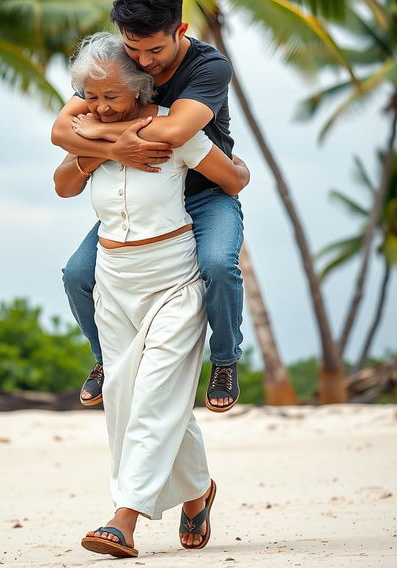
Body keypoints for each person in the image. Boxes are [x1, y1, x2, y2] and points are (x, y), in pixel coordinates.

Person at [53, 32, 250, 557]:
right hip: (115, 286)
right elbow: (63, 185)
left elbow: (231, 179)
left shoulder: (170, 130)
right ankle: (198, 490)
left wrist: (240, 169)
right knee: (125, 402)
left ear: (141, 87)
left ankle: (125, 518)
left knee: (158, 398)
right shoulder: (89, 130)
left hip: (172, 280)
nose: (96, 105)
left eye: (109, 95)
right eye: (89, 96)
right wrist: (100, 146)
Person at [51, 0, 245, 412]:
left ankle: (225, 359)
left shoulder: (208, 66)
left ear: (180, 30)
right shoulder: (120, 63)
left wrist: (105, 131)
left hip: (206, 190)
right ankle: (103, 361)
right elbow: (62, 129)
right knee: (77, 275)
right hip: (146, 198)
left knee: (218, 263)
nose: (143, 62)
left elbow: (176, 130)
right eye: (133, 49)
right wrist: (115, 147)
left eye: (154, 50)